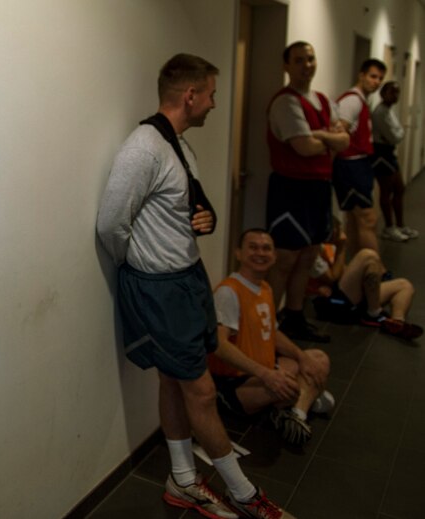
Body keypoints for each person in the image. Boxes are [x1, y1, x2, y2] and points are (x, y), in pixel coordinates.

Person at [97, 54, 294, 519]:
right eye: (210, 94)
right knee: (201, 390)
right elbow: (110, 225)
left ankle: (183, 479)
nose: (213, 103)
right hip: (161, 289)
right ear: (190, 95)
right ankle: (244, 493)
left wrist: (202, 221)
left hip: (188, 280)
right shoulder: (143, 147)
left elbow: (178, 208)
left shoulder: (179, 146)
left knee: (175, 379)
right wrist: (141, 265)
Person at [209, 229, 332, 447]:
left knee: (317, 360)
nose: (260, 253)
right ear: (238, 253)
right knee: (293, 384)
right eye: (253, 247)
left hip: (266, 369)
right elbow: (218, 344)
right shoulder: (229, 291)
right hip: (236, 383)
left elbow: (272, 333)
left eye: (266, 248)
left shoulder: (264, 287)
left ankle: (296, 415)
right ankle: (301, 400)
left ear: (274, 256)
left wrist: (301, 357)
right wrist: (265, 374)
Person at [266, 41, 349, 344]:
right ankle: (268, 328)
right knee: (285, 259)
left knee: (308, 256)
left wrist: (321, 137)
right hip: (290, 189)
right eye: (299, 60)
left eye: (311, 59)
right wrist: (330, 138)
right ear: (287, 65)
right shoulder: (285, 102)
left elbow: (344, 142)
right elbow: (304, 147)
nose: (307, 65)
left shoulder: (324, 101)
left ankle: (295, 317)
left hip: (318, 188)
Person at [309, 218, 422, 340]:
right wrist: (342, 247)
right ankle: (373, 313)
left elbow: (341, 270)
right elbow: (332, 278)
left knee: (404, 285)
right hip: (331, 303)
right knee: (367, 255)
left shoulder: (329, 247)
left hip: (347, 296)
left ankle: (397, 321)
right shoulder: (313, 252)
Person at [333, 59, 387, 255]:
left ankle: (358, 269)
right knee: (367, 218)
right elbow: (339, 135)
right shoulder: (352, 100)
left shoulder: (362, 100)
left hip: (360, 164)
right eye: (373, 76)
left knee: (357, 221)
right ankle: (376, 271)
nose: (376, 82)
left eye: (380, 78)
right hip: (350, 165)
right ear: (361, 75)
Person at [372, 81, 419, 242]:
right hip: (381, 155)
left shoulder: (389, 111)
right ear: (383, 93)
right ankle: (389, 227)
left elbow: (398, 133)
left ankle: (400, 225)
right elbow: (395, 136)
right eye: (392, 92)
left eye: (398, 92)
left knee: (399, 188)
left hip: (389, 153)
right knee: (386, 191)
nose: (396, 96)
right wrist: (397, 134)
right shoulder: (379, 113)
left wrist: (397, 134)